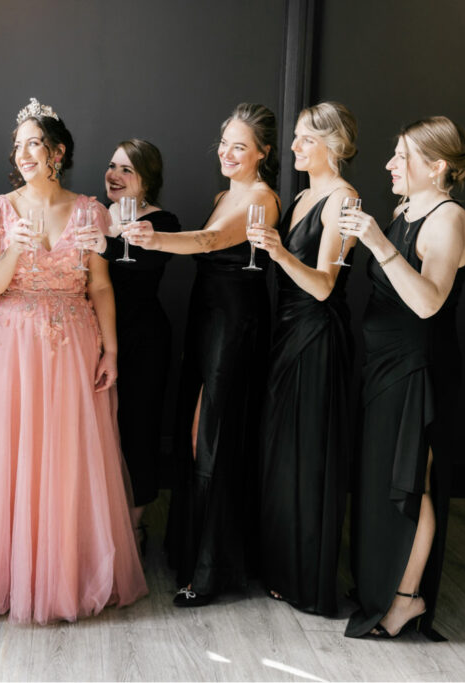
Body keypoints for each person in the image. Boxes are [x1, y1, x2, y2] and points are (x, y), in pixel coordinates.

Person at [0, 98, 147, 623]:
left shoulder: (92, 210)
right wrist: (12, 251)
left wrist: (111, 350)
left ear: (58, 151)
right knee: (9, 457)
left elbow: (101, 286)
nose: (22, 152)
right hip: (10, 345)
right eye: (17, 144)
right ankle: (5, 576)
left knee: (67, 458)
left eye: (33, 143)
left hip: (73, 343)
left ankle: (64, 573)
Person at [127, 103, 279, 607]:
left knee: (210, 437)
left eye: (240, 146)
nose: (227, 153)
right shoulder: (223, 194)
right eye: (224, 143)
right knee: (197, 438)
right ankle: (193, 552)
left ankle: (212, 570)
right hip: (206, 318)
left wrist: (153, 237)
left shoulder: (262, 198)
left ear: (263, 153)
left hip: (234, 326)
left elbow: (212, 239)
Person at [340, 116, 465, 640]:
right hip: (382, 366)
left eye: (402, 156)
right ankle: (382, 582)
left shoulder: (448, 220)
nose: (389, 164)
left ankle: (406, 600)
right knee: (380, 481)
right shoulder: (404, 209)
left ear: (437, 166)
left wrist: (378, 244)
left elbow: (426, 303)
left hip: (417, 369)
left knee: (408, 486)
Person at [246, 102, 358, 615]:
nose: (292, 148)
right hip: (285, 334)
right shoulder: (304, 195)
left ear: (332, 144)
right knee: (282, 453)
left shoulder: (344, 199)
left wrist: (278, 252)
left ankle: (306, 578)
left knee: (308, 455)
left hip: (316, 336)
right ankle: (280, 567)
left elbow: (324, 286)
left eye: (304, 140)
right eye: (294, 138)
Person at [101, 139, 180, 550]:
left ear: (147, 180)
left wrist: (106, 240)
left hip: (144, 340)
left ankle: (133, 528)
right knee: (99, 434)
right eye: (112, 166)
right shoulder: (94, 215)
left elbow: (144, 260)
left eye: (127, 170)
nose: (114, 175)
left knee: (138, 430)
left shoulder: (163, 222)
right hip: (96, 339)